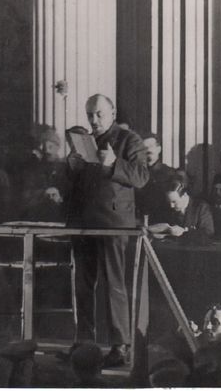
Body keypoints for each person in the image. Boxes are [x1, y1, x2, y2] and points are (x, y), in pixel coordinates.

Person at [67, 94, 149, 367]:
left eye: (99, 114)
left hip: (113, 223)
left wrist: (114, 163)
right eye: (90, 114)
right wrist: (72, 167)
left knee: (114, 285)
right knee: (83, 285)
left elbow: (141, 177)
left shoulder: (130, 140)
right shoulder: (86, 141)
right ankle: (84, 343)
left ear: (112, 113)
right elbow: (79, 183)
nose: (94, 120)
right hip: (84, 223)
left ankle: (120, 346)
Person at [149, 177, 214, 244]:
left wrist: (184, 232)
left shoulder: (201, 207)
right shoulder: (167, 208)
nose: (171, 206)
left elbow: (208, 234)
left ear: (185, 196)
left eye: (174, 202)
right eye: (169, 202)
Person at [136, 132, 176, 224]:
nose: (148, 149)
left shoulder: (170, 173)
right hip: (138, 222)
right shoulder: (135, 172)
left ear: (159, 149)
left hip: (161, 222)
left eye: (151, 146)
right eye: (143, 147)